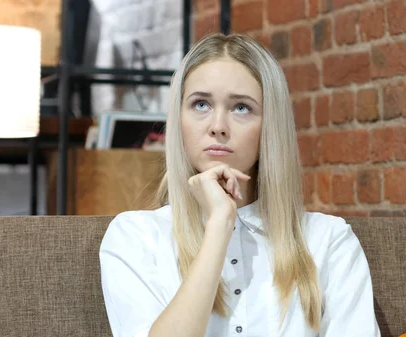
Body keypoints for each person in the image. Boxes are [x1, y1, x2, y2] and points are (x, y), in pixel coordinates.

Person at [99, 33, 381, 337]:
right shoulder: (134, 238)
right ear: (178, 117)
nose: (218, 126)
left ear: (269, 124)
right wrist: (220, 224)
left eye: (241, 108)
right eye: (201, 104)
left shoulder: (328, 241)